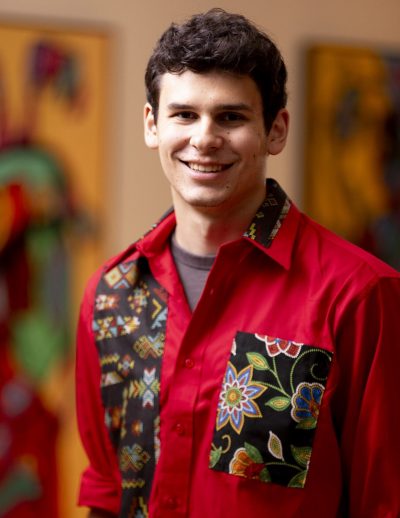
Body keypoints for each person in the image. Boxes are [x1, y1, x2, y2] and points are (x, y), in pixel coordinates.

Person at [76, 8, 400, 518]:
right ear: (152, 125)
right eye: (184, 114)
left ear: (275, 131)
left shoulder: (360, 293)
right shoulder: (112, 293)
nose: (204, 139)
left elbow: (385, 499)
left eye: (231, 116)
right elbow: (104, 487)